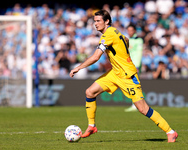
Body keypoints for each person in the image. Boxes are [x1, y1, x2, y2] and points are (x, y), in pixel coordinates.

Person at [69, 10, 178, 142]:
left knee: (143, 109)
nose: (95, 24)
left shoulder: (107, 35)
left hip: (127, 75)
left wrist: (79, 67)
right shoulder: (115, 31)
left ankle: (170, 132)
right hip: (115, 72)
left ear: (107, 21)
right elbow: (125, 39)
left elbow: (96, 57)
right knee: (90, 92)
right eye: (95, 21)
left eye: (98, 21)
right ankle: (92, 126)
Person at [124, 23, 143, 112]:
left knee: (134, 85)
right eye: (128, 30)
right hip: (128, 66)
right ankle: (135, 104)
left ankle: (135, 105)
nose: (129, 32)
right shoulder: (127, 40)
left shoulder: (138, 40)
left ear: (134, 31)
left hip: (134, 65)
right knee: (130, 85)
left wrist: (137, 66)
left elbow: (139, 54)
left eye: (131, 30)